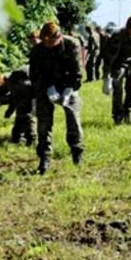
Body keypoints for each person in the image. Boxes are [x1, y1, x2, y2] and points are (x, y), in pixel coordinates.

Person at [29, 21, 83, 175]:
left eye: (51, 42)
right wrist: (47, 88)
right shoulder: (37, 51)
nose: (48, 46)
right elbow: (34, 75)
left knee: (73, 117)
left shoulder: (72, 45)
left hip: (68, 85)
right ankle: (44, 157)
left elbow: (77, 73)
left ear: (58, 37)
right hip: (47, 87)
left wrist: (68, 90)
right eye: (45, 42)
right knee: (44, 122)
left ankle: (77, 153)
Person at [7, 67, 36, 146]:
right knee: (27, 122)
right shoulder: (28, 85)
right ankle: (28, 140)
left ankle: (25, 140)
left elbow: (13, 99)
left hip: (23, 110)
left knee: (25, 122)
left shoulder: (16, 85)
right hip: (25, 110)